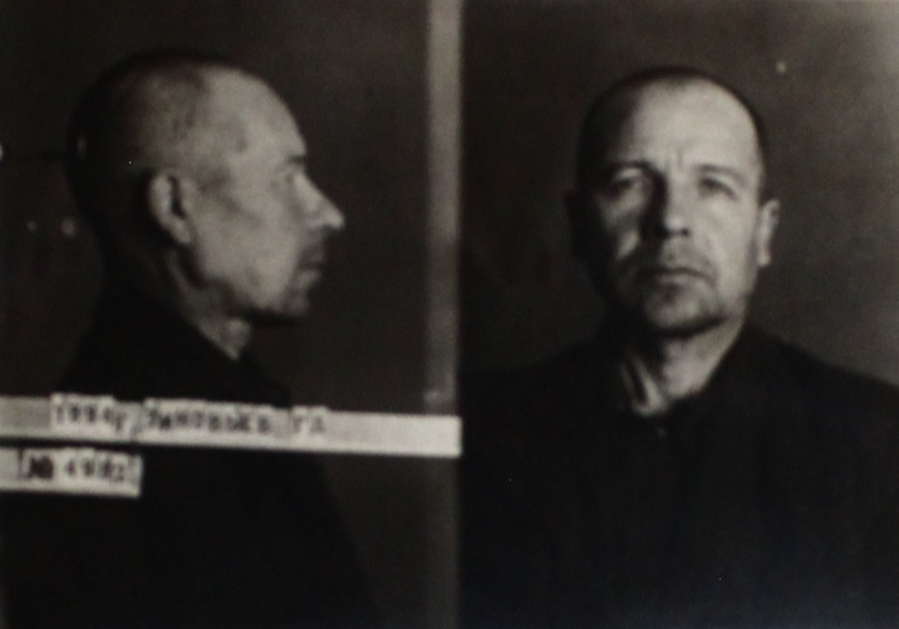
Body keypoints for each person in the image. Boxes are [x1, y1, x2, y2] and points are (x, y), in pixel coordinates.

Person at [461, 66, 899, 628]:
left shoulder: (879, 445)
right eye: (630, 183)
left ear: (764, 232)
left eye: (713, 186)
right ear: (578, 225)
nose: (670, 220)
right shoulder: (482, 437)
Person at [0, 50, 377, 628]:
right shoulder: (134, 457)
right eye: (286, 180)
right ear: (175, 208)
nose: (327, 213)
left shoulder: (216, 411)